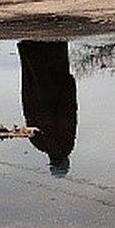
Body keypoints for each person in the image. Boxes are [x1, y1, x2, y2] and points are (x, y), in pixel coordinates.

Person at [17, 40, 78, 176]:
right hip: (35, 92)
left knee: (53, 61)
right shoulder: (38, 143)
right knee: (38, 67)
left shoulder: (65, 143)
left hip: (55, 91)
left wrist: (70, 88)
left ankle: (46, 43)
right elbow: (28, 112)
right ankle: (33, 45)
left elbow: (68, 113)